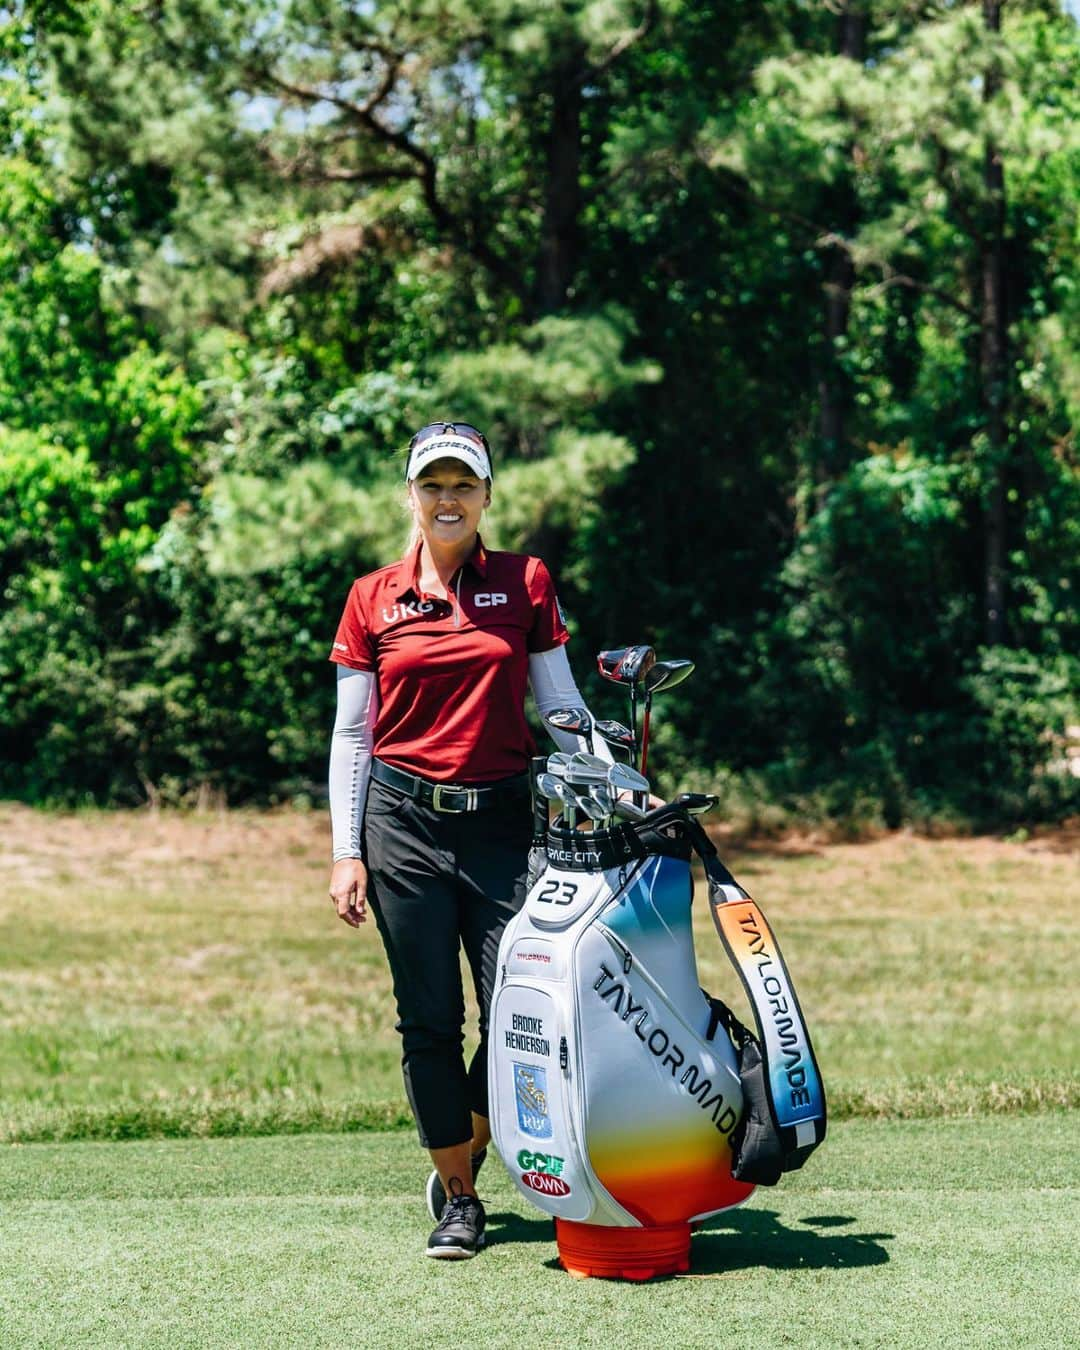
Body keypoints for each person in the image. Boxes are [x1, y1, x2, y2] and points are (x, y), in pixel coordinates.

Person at [326, 421, 610, 1260]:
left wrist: (619, 783)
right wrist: (347, 849)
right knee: (428, 1020)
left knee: (517, 1007)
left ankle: (475, 1140)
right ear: (410, 496)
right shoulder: (372, 596)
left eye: (463, 485)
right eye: (432, 485)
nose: (447, 499)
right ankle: (459, 1195)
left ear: (486, 496)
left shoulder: (524, 581)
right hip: (401, 826)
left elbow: (560, 709)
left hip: (500, 825)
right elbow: (354, 734)